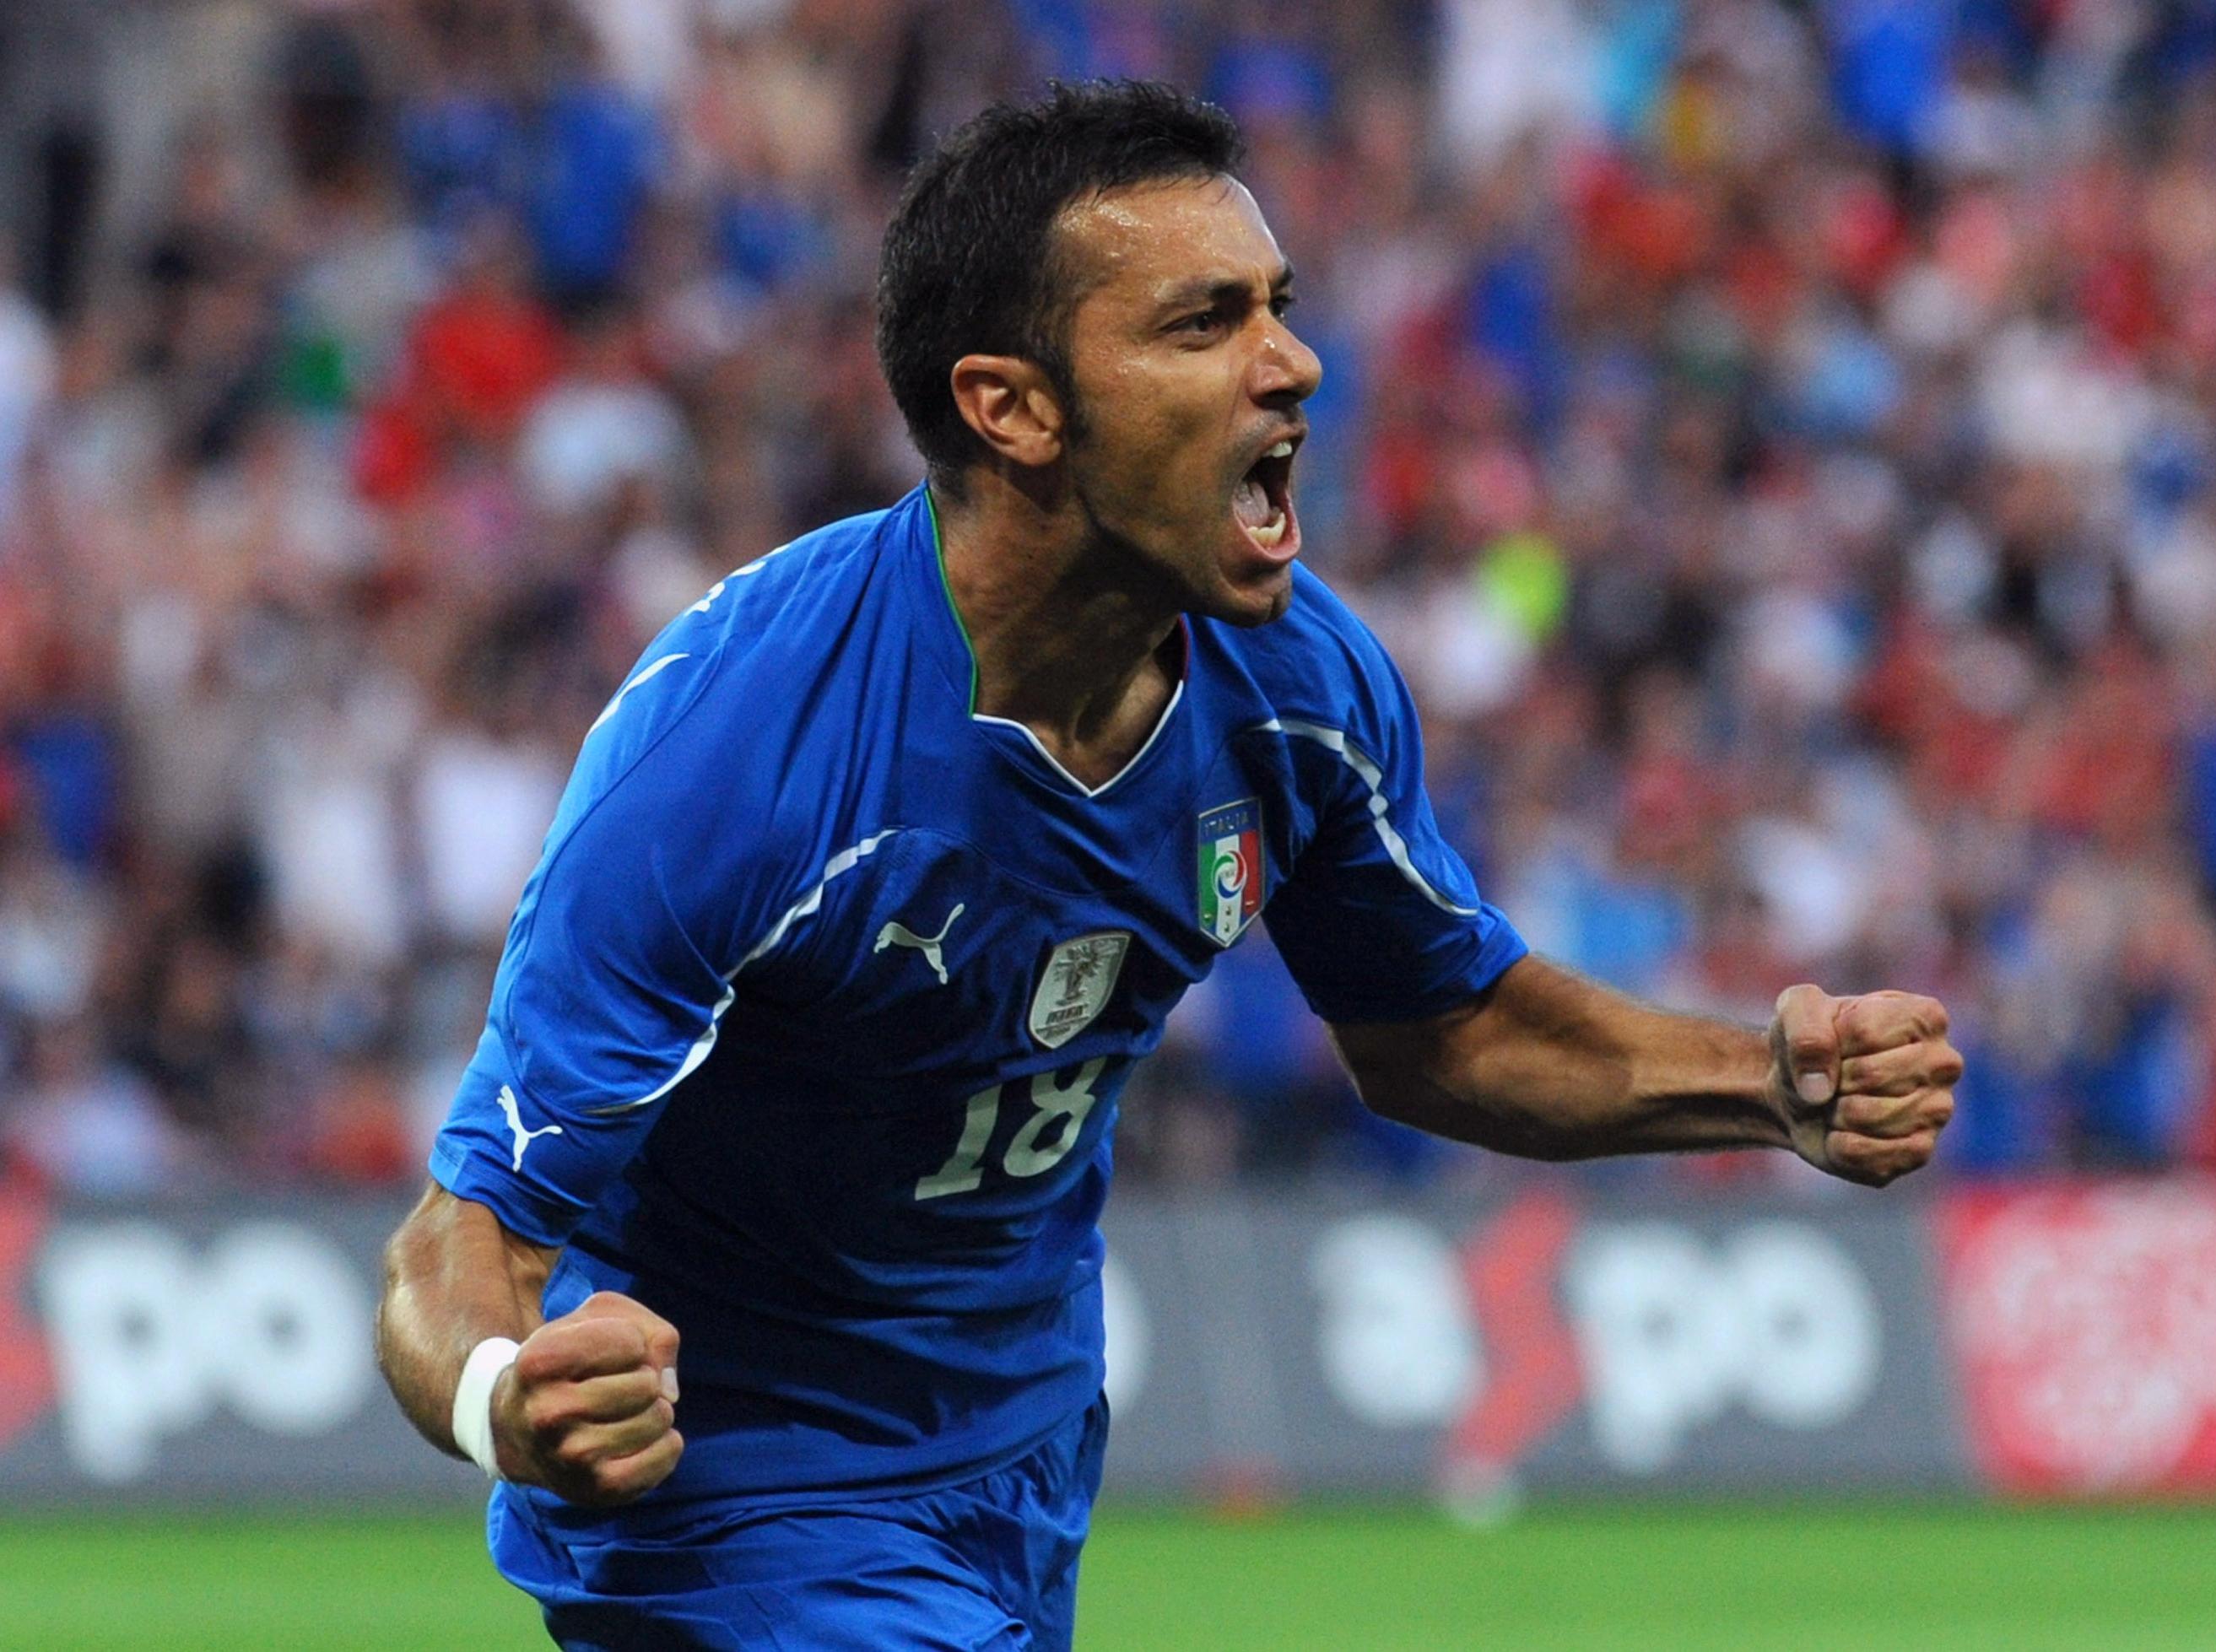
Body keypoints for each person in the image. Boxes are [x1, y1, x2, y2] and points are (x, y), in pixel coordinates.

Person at [376, 80, 1962, 1651]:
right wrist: (514, 1399)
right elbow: (459, 1239)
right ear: (1013, 407)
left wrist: (1761, 1081)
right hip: (730, 1487)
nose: (1294, 365)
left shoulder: (1300, 693)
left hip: (1019, 1454)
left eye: (1278, 307)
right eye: (1204, 325)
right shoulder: (741, 753)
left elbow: (1443, 1034)